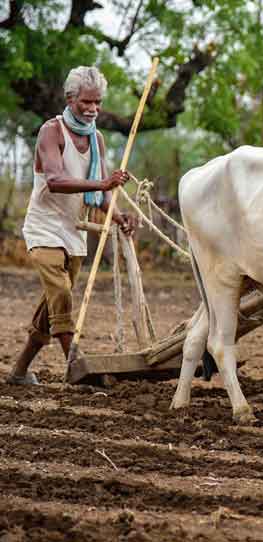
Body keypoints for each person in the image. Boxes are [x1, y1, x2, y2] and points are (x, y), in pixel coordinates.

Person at [7, 66, 136, 385]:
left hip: (75, 232)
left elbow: (101, 194)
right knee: (62, 292)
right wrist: (102, 183)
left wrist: (118, 216)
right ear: (70, 99)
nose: (93, 109)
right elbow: (55, 180)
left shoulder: (98, 140)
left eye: (98, 102)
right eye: (86, 103)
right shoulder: (51, 131)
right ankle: (78, 366)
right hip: (43, 228)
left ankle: (19, 372)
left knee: (52, 306)